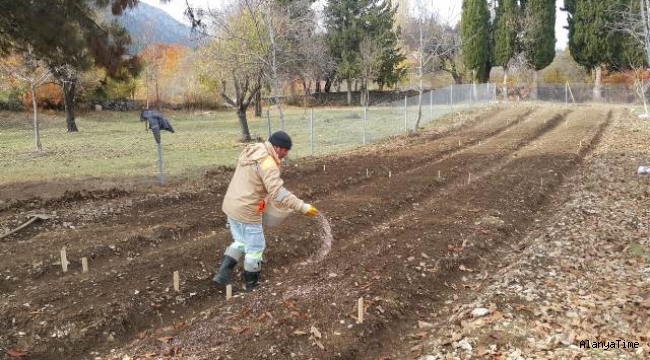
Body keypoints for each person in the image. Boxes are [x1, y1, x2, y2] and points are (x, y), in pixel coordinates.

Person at [213, 131, 319, 290]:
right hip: (247, 210)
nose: (286, 154)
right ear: (277, 148)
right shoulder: (267, 162)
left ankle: (221, 276)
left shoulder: (253, 151)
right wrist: (302, 206)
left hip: (232, 205)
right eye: (285, 150)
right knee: (255, 248)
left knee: (241, 242)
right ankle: (252, 287)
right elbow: (278, 192)